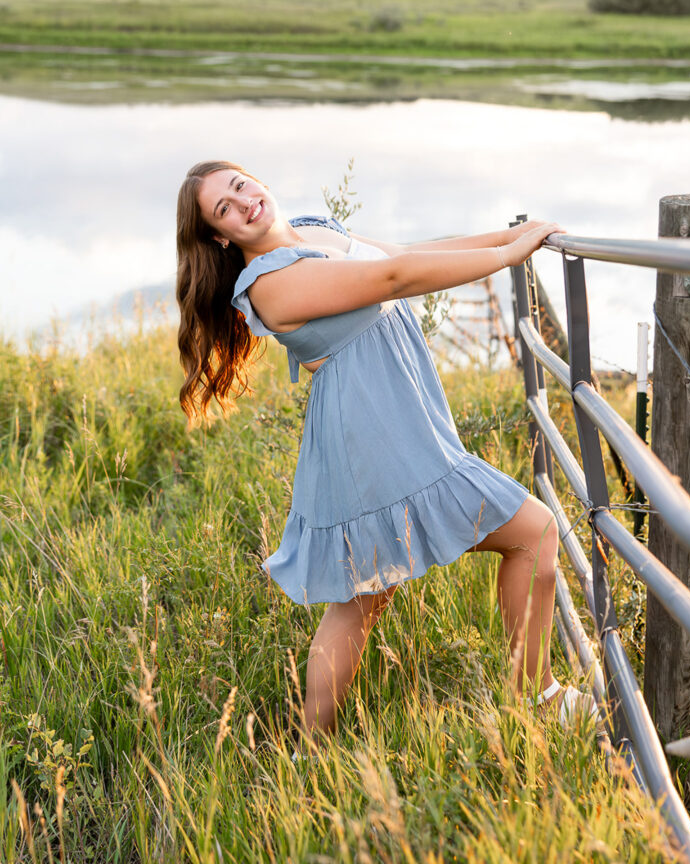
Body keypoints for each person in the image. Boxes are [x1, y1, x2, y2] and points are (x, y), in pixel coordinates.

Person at [176, 159, 598, 751]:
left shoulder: (312, 230)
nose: (244, 203)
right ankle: (537, 698)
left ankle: (311, 750)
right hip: (372, 438)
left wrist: (510, 237)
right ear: (220, 236)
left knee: (364, 597)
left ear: (259, 181)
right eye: (225, 208)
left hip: (394, 429)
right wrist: (509, 257)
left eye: (241, 185)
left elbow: (404, 252)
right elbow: (395, 277)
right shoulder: (269, 283)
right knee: (532, 531)